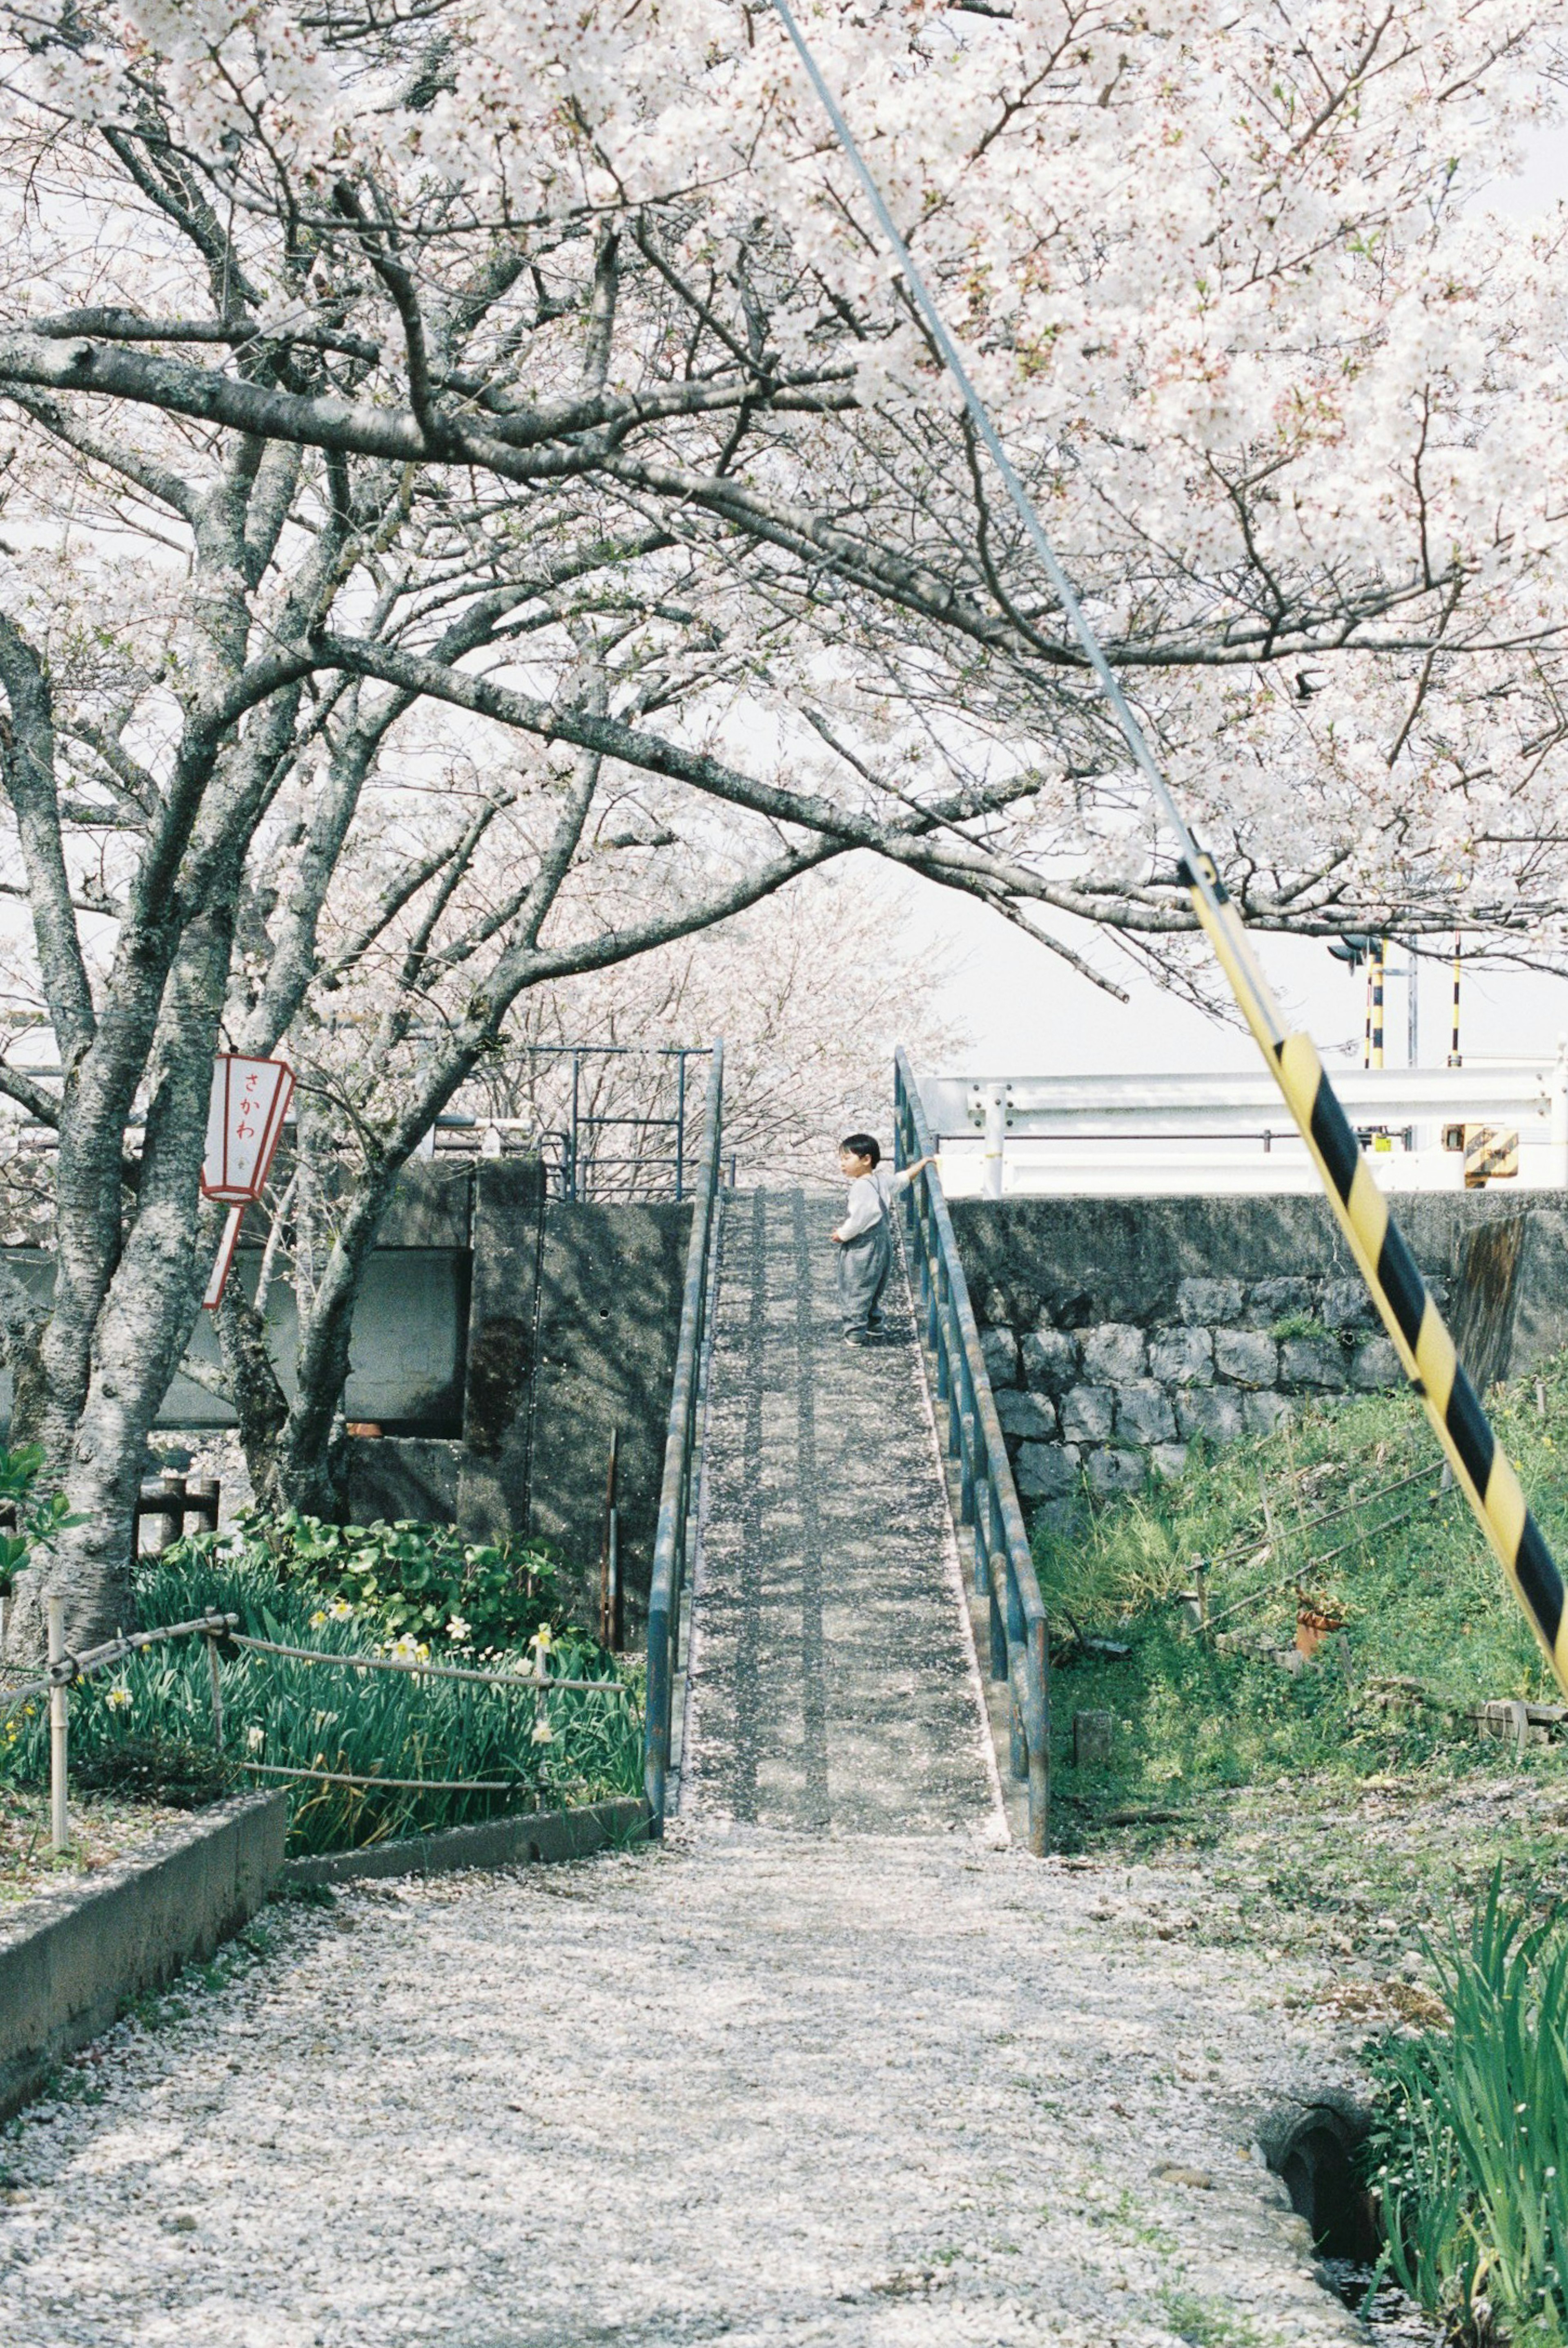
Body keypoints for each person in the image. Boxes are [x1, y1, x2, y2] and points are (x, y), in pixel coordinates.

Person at [830, 1132, 937, 1343]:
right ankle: (874, 1324)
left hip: (863, 1245)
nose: (842, 1164)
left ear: (866, 1160)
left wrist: (841, 1235)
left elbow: (859, 1219)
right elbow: (903, 1179)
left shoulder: (860, 1188)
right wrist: (922, 1163)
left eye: (847, 1159)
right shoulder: (882, 1180)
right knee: (875, 1283)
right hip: (883, 1242)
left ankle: (855, 1332)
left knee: (855, 1286)